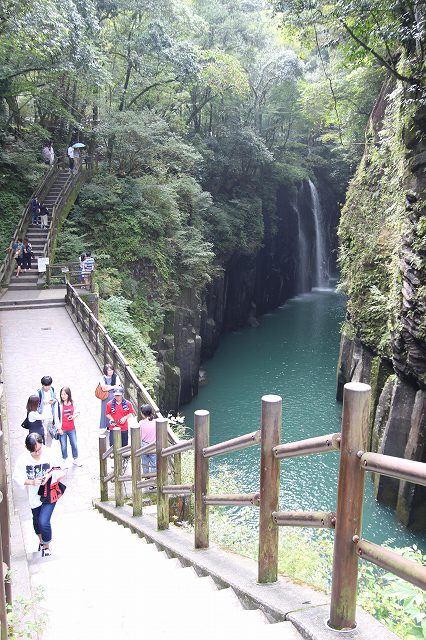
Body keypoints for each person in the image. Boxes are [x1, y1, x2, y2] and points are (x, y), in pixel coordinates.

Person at [13, 433, 62, 557]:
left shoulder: (49, 453)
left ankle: (46, 546)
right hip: (34, 496)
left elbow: (59, 468)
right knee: (36, 522)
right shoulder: (23, 460)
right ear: (28, 448)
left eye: (39, 449)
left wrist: (49, 475)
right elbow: (17, 478)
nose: (38, 452)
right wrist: (32, 482)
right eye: (34, 451)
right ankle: (41, 541)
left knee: (43, 521)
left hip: (49, 492)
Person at [58, 387, 82, 468]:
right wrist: (59, 428)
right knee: (63, 446)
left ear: (68, 394)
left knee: (74, 444)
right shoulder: (59, 405)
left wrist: (73, 416)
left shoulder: (73, 403)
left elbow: (78, 412)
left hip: (71, 428)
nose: (63, 396)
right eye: (62, 394)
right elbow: (56, 417)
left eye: (65, 394)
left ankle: (75, 459)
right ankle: (64, 460)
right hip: (62, 429)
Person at [98, 363, 121, 431]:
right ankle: (107, 425)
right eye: (109, 370)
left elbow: (118, 386)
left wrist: (108, 387)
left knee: (115, 410)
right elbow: (104, 388)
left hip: (114, 396)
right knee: (106, 411)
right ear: (106, 371)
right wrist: (113, 386)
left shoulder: (116, 376)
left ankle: (115, 424)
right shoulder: (103, 378)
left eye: (111, 370)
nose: (110, 372)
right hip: (106, 398)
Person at [139, 404, 157, 473]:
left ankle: (146, 476)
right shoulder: (155, 422)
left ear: (143, 414)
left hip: (144, 445)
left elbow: (139, 435)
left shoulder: (141, 423)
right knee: (154, 463)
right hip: (153, 445)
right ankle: (153, 477)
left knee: (145, 462)